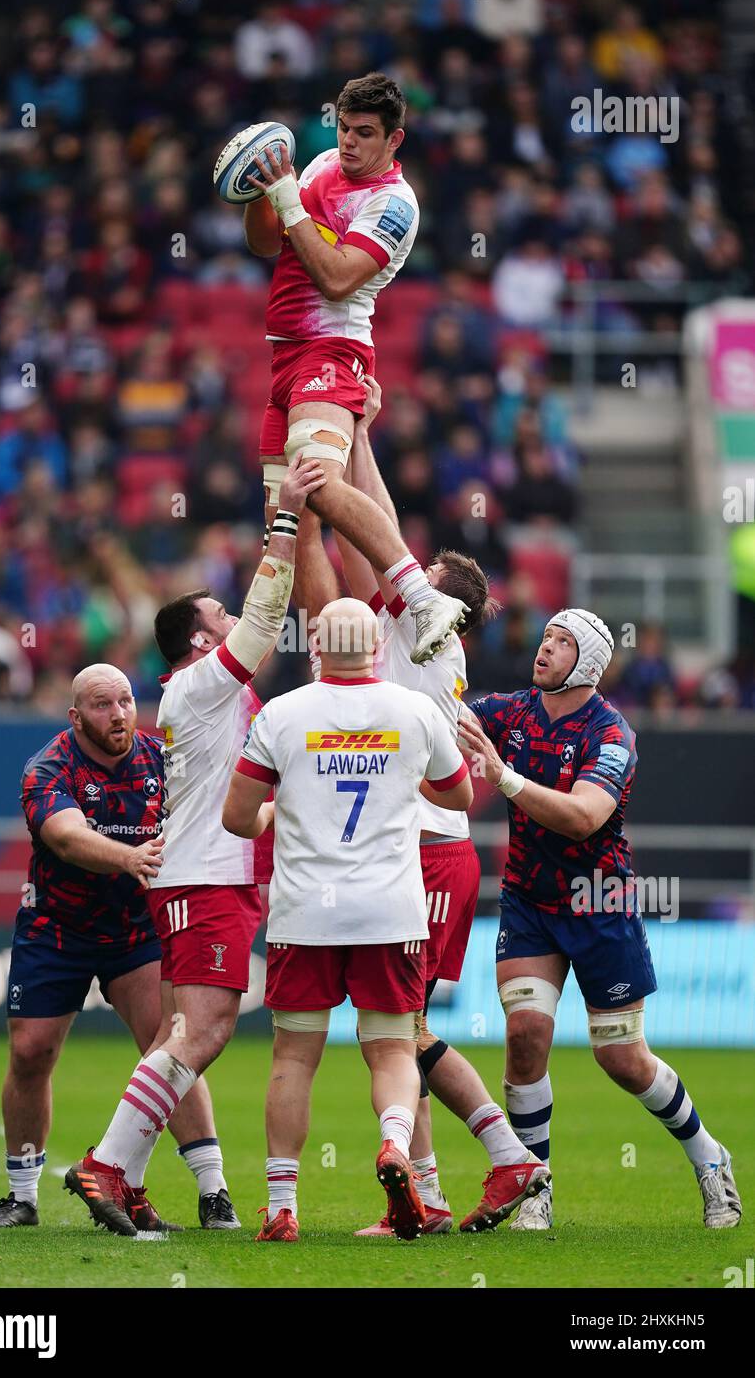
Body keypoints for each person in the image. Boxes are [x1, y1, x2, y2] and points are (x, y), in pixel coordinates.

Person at [64, 453, 325, 1236]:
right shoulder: (201, 682)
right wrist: (286, 518)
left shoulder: (213, 694)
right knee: (201, 1034)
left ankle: (122, 1175)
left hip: (210, 874)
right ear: (198, 639)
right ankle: (106, 1165)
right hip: (205, 879)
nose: (232, 622)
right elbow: (265, 621)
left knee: (190, 1034)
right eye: (219, 616)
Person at [222, 596, 513, 1243]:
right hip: (392, 909)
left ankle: (281, 1205)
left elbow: (237, 818)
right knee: (390, 1048)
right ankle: (394, 1147)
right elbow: (461, 796)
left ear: (317, 647)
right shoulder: (413, 711)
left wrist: (276, 812)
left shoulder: (282, 714)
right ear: (378, 650)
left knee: (294, 1056)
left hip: (306, 914)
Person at [336, 384, 547, 1235]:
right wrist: (361, 428)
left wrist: (347, 438)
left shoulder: (419, 630)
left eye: (415, 577)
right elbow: (379, 521)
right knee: (394, 1032)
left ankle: (507, 1160)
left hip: (427, 845)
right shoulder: (432, 638)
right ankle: (424, 1197)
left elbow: (368, 531)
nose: (399, 574)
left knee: (402, 1031)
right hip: (423, 845)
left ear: (437, 598)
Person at [458, 609, 742, 1231]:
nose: (545, 648)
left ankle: (709, 1156)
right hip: (530, 900)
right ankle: (536, 1188)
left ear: (586, 662)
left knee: (622, 1058)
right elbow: (444, 714)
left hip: (599, 903)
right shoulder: (513, 709)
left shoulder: (611, 735)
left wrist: (502, 777)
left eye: (562, 642)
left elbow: (583, 817)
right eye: (545, 637)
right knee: (526, 1038)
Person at [0, 664, 222, 1232]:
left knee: (172, 1048)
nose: (118, 714)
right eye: (102, 706)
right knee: (30, 1053)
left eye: (125, 701)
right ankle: (22, 1197)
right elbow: (64, 835)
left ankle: (214, 1193)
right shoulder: (48, 766)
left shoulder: (164, 758)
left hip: (137, 930)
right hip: (55, 928)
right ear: (76, 716)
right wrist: (129, 858)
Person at [243, 70, 468, 663]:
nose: (349, 142)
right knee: (290, 521)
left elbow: (338, 277)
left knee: (317, 482)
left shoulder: (393, 204)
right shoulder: (318, 167)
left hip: (333, 350)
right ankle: (328, 659)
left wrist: (288, 200)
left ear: (394, 141)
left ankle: (422, 599)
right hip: (284, 356)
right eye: (343, 128)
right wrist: (261, 191)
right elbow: (267, 244)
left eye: (365, 133)